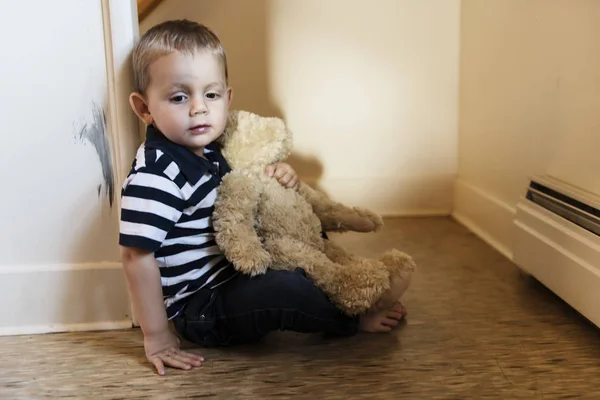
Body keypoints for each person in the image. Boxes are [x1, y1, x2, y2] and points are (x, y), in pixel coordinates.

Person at [119, 19, 408, 376]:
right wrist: (157, 335)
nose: (198, 109)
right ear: (144, 108)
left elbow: (252, 194)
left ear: (227, 98)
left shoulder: (209, 150)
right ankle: (350, 319)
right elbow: (135, 256)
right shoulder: (157, 175)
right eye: (179, 97)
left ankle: (354, 285)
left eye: (210, 95)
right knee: (284, 289)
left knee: (299, 246)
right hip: (202, 307)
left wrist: (281, 177)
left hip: (236, 271)